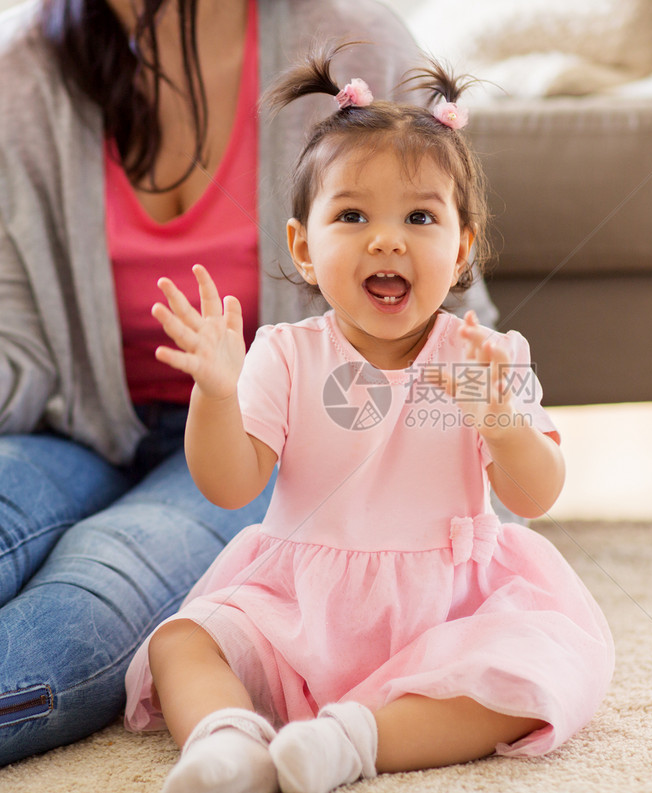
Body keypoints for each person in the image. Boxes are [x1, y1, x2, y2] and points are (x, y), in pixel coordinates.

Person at [0, 0, 499, 766]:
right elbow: (15, 344)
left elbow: (455, 313)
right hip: (66, 424)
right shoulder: (27, 74)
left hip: (260, 434)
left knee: (106, 570)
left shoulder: (354, 40)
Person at [123, 43, 614, 793]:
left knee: (532, 669)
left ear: (460, 253)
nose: (387, 239)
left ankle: (353, 740)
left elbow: (537, 495)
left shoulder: (483, 355)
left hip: (447, 610)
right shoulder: (284, 354)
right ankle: (226, 743)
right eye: (352, 214)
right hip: (299, 611)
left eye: (420, 216)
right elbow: (228, 485)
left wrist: (502, 420)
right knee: (183, 641)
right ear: (304, 249)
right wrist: (218, 394)